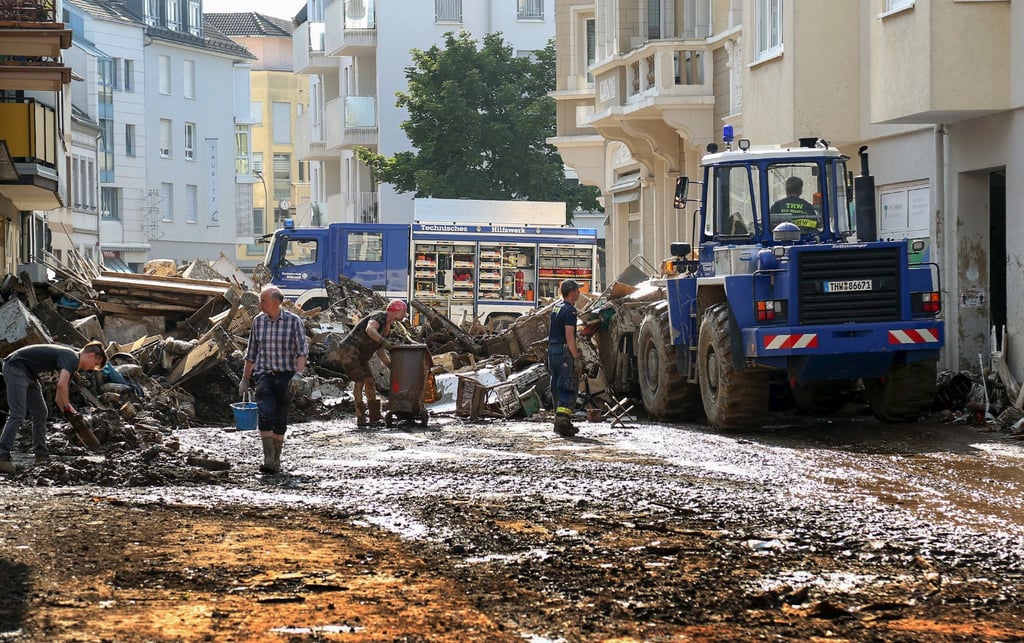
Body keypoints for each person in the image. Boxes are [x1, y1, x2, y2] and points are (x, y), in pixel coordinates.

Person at [0, 341, 108, 474]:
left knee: (40, 413)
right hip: (16, 366)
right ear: (91, 355)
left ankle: (41, 455)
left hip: (30, 374)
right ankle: (2, 456)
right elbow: (61, 385)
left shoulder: (71, 366)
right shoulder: (72, 357)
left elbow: (58, 398)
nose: (92, 367)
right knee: (18, 413)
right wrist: (67, 407)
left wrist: (73, 415)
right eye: (95, 364)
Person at [240, 285, 309, 474]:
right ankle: (268, 458)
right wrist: (245, 378)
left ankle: (276, 459)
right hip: (264, 374)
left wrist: (298, 374)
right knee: (265, 415)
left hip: (286, 375)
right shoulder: (258, 321)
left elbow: (302, 351)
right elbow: (251, 352)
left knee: (280, 417)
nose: (260, 304)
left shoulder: (293, 321)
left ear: (276, 302)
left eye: (263, 301)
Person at [338, 299, 408, 427]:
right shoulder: (380, 316)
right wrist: (383, 341)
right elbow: (369, 329)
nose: (405, 314)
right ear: (397, 310)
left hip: (362, 356)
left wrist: (391, 366)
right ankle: (360, 416)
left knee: (370, 381)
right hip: (349, 350)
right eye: (404, 311)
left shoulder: (388, 329)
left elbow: (381, 353)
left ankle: (374, 415)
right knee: (359, 381)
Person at [548, 279, 583, 437]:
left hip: (552, 350)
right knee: (567, 385)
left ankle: (560, 421)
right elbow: (569, 336)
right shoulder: (570, 311)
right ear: (572, 292)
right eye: (578, 290)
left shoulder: (556, 307)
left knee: (556, 385)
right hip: (563, 352)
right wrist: (575, 357)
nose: (579, 293)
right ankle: (563, 422)